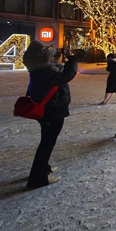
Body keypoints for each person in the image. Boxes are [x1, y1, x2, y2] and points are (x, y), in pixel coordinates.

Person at [23, 40, 77, 188]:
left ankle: (43, 168)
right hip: (52, 111)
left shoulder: (40, 69)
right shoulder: (43, 72)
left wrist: (60, 55)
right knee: (47, 143)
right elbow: (67, 75)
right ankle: (37, 179)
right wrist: (72, 59)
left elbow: (56, 68)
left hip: (51, 109)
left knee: (47, 141)